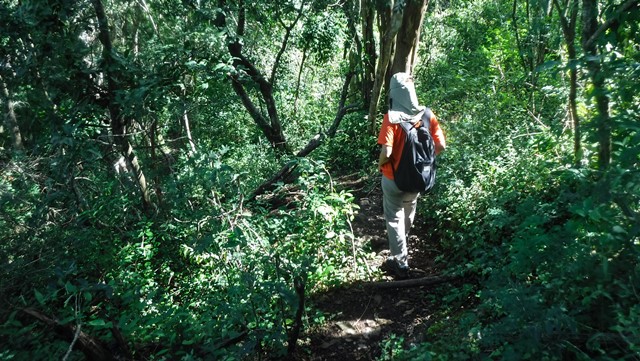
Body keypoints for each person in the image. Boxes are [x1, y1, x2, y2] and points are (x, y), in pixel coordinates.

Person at [377, 72, 446, 279]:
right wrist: (424, 161)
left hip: (393, 179)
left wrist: (381, 165)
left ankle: (400, 263)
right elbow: (441, 145)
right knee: (408, 212)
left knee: (394, 218)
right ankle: (402, 247)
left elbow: (387, 153)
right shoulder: (427, 115)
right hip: (417, 178)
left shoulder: (391, 118)